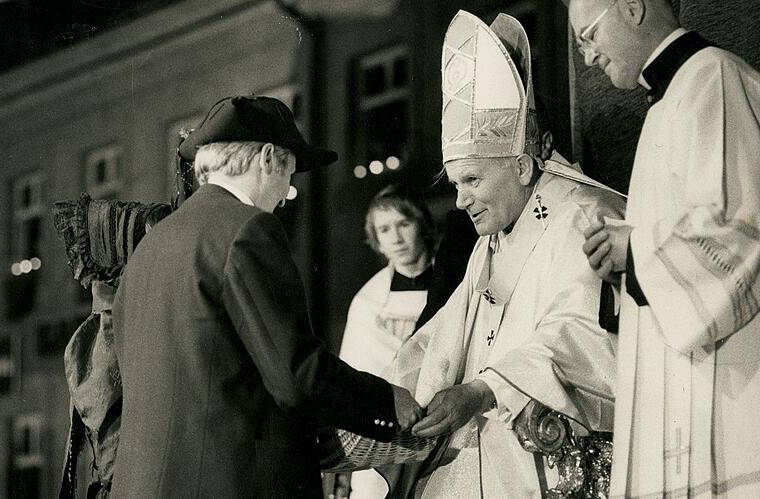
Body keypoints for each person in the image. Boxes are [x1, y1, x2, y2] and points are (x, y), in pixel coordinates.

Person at [110, 96, 422, 499]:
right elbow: (295, 375)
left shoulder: (151, 248)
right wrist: (387, 400)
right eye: (290, 172)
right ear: (269, 158)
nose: (289, 191)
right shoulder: (247, 229)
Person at [386, 11, 625, 498]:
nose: (459, 200)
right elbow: (440, 340)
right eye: (455, 185)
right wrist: (378, 399)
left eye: (471, 180)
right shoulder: (490, 241)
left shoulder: (585, 215)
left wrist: (480, 391)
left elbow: (584, 336)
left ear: (520, 166)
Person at [571, 1, 760, 496]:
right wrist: (623, 267)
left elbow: (736, 234)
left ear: (633, 8)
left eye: (589, 36)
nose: (587, 57)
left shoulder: (713, 79)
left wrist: (634, 253)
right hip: (683, 382)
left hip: (728, 389)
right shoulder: (668, 103)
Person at [338, 184, 434, 498]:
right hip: (391, 435)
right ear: (376, 239)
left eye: (404, 224)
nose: (396, 237)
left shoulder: (454, 284)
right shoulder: (368, 302)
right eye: (384, 229)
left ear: (421, 223)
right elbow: (360, 373)